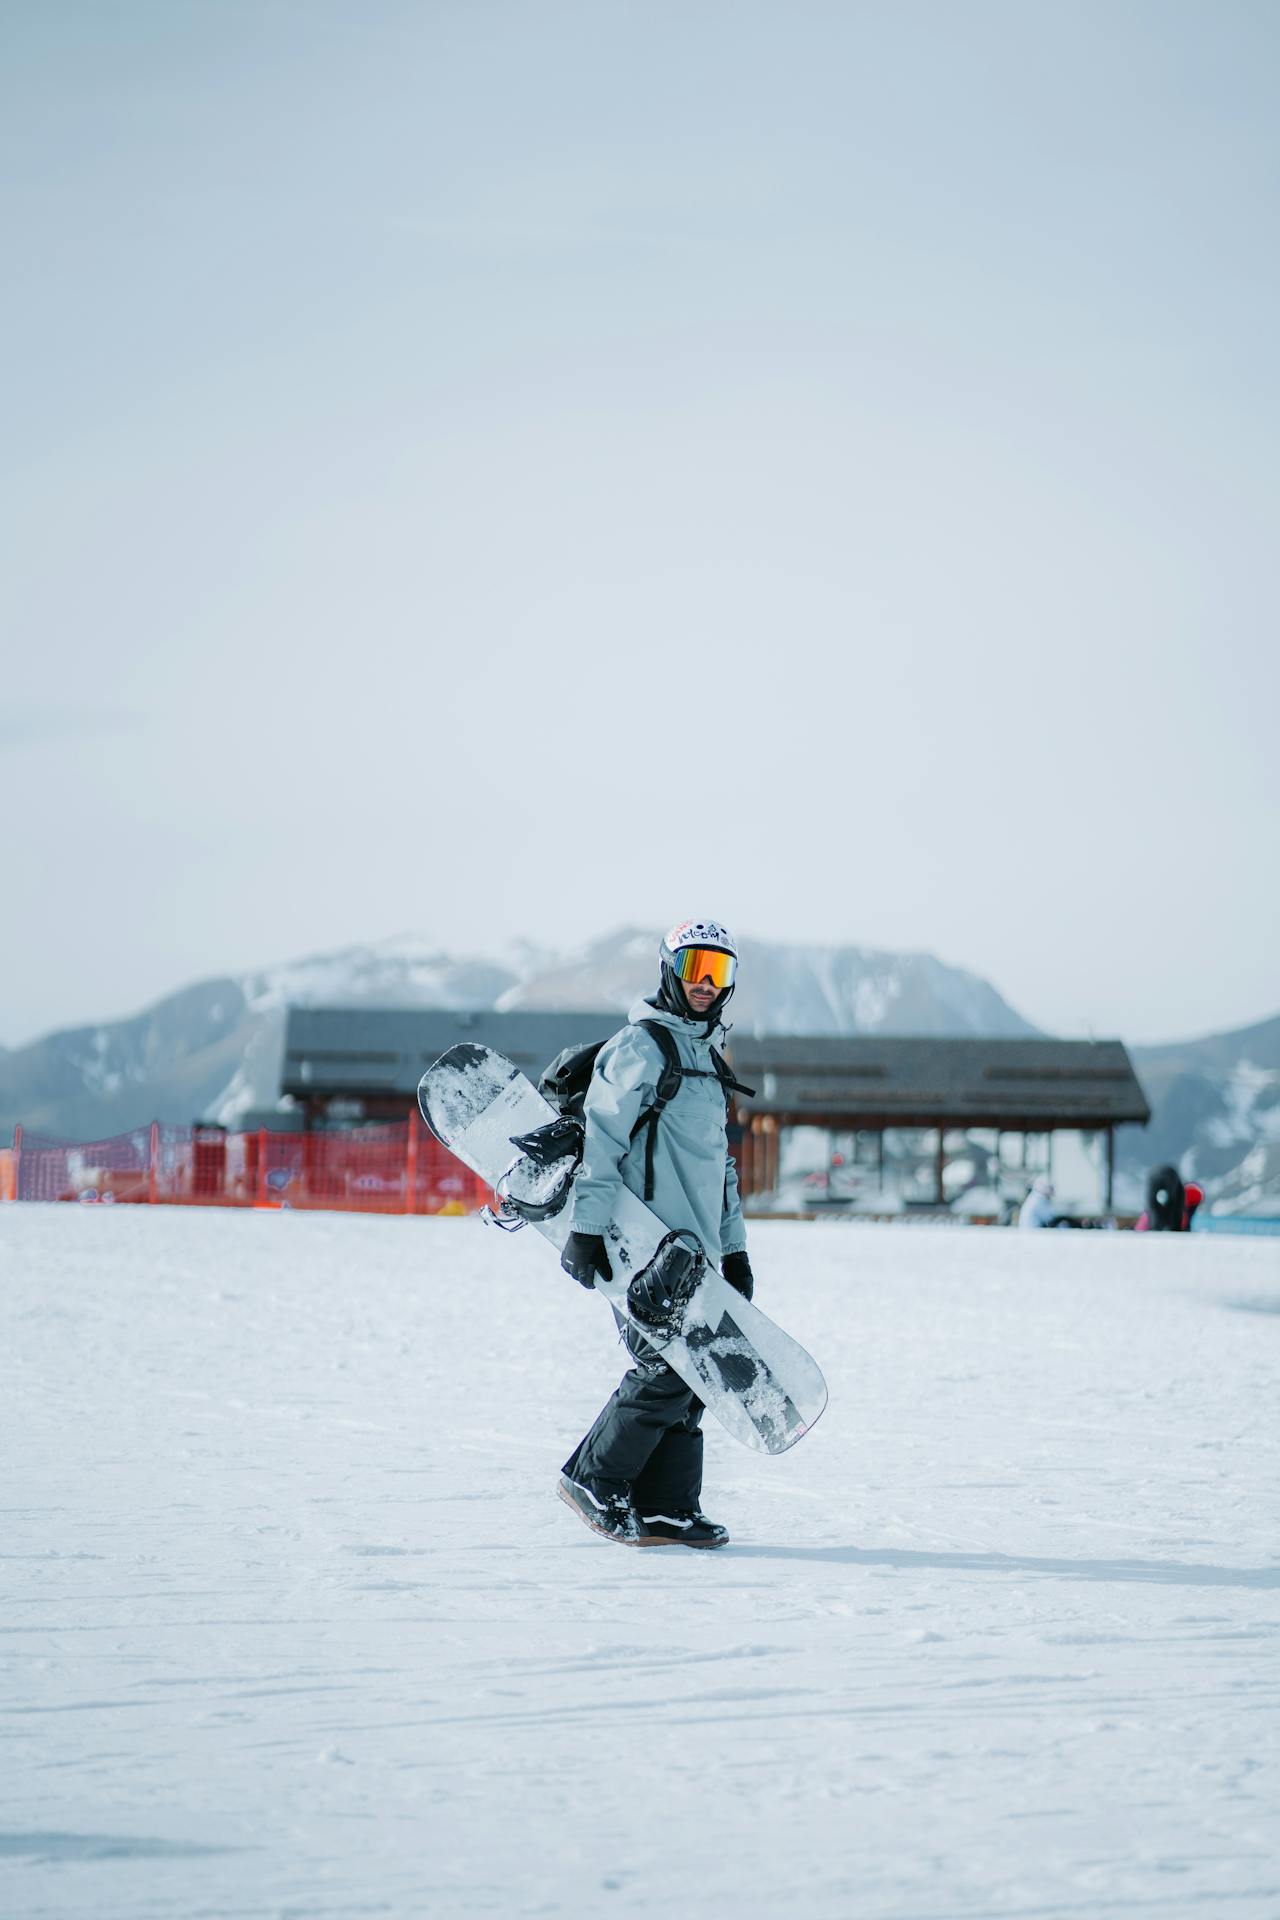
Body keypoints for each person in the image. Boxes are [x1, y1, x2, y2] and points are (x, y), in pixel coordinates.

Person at [557, 919, 752, 1550]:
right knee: (668, 1365)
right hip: (638, 1242)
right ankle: (595, 1479)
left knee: (694, 1376)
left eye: (717, 972)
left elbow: (720, 1170)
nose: (704, 982)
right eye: (695, 967)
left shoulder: (709, 1060)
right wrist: (586, 1230)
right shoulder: (641, 1047)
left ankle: (666, 1508)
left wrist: (737, 1248)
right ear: (669, 969)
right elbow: (602, 1143)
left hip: (697, 1253)